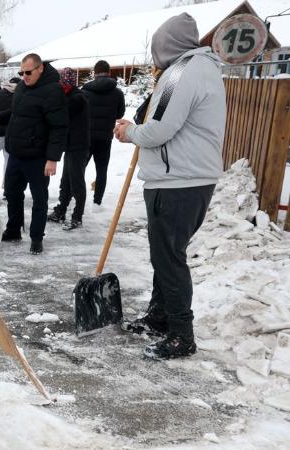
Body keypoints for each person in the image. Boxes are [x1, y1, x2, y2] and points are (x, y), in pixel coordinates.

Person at [114, 13, 225, 359]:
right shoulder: (203, 68)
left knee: (169, 258)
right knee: (165, 256)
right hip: (187, 179)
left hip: (178, 182)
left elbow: (160, 128)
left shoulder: (182, 71)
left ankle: (181, 333)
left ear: (167, 46)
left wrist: (129, 132)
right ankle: (161, 316)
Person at [0, 53, 68, 254]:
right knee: (12, 194)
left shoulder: (53, 91)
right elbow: (17, 114)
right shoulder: (22, 87)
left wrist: (52, 158)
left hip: (38, 157)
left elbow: (59, 127)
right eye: (22, 72)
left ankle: (36, 238)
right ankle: (14, 230)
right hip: (16, 153)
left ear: (40, 68)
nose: (25, 76)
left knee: (39, 199)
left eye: (28, 72)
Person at [48, 67, 90, 231]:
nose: (61, 85)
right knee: (66, 181)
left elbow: (62, 113)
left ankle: (77, 216)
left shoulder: (77, 98)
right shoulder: (69, 95)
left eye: (64, 82)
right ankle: (61, 211)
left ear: (70, 83)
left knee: (76, 182)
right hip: (70, 146)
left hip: (78, 146)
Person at [82, 60, 125, 205]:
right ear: (109, 72)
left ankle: (76, 197)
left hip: (86, 136)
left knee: (80, 168)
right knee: (101, 169)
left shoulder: (85, 91)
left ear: (95, 72)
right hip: (105, 136)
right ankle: (97, 201)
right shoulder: (117, 93)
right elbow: (120, 114)